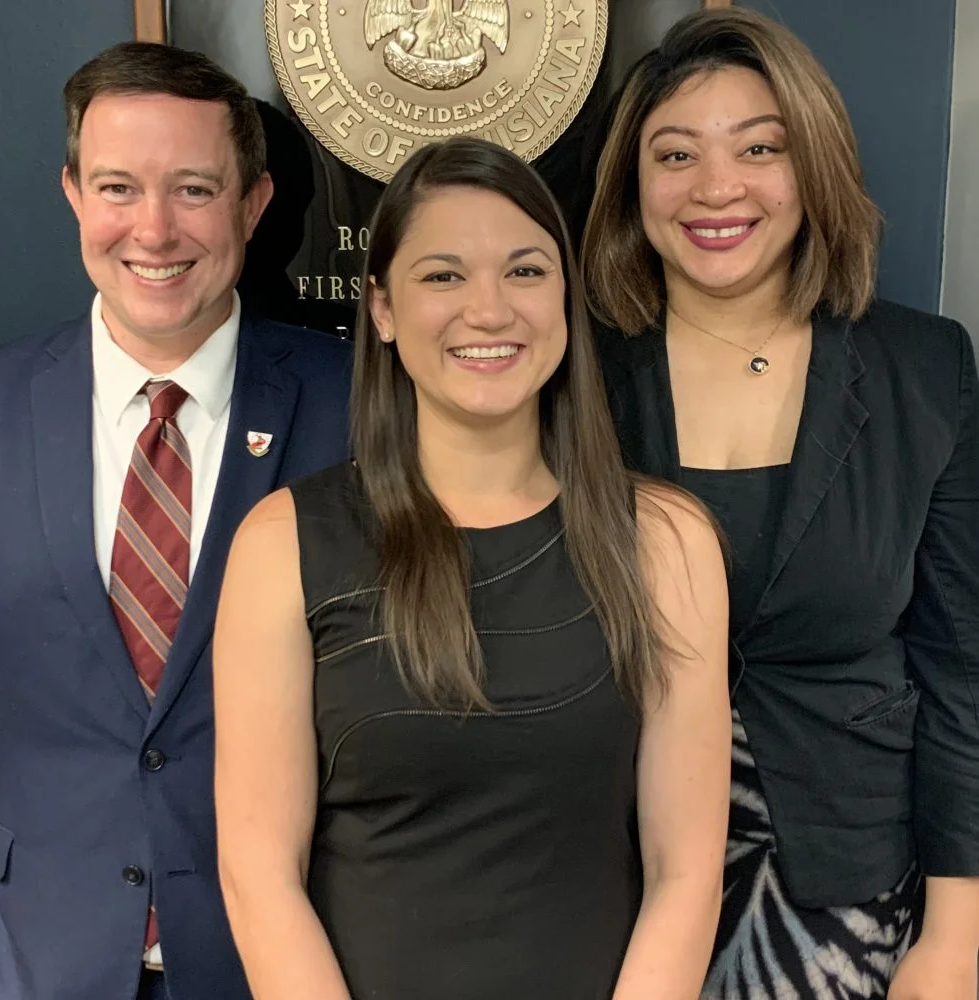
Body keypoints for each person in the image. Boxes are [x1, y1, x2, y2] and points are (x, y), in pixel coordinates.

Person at [212, 136, 730, 999]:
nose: (489, 311)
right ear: (382, 308)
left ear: (565, 297)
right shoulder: (281, 545)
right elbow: (259, 873)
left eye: (525, 271)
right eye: (443, 275)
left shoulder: (664, 542)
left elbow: (686, 872)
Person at [581, 9, 979, 1000]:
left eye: (760, 148)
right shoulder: (573, 373)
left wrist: (955, 939)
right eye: (676, 154)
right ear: (633, 186)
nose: (716, 187)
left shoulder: (923, 369)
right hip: (600, 884)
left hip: (839, 897)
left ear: (814, 166)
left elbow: (960, 672)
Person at [0, 42, 351, 1000]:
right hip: (25, 958)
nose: (153, 229)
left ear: (253, 204)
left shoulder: (360, 411)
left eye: (193, 189)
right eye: (117, 188)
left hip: (280, 962)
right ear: (73, 194)